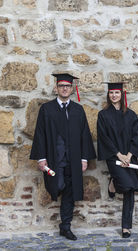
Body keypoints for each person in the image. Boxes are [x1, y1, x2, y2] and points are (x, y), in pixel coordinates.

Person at [30, 73, 96, 241]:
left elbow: (84, 135)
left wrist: (83, 159)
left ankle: (65, 226)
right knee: (57, 184)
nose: (65, 88)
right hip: (54, 159)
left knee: (70, 191)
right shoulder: (47, 109)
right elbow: (40, 134)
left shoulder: (77, 110)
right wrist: (41, 158)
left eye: (67, 86)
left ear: (71, 89)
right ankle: (57, 195)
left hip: (73, 160)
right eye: (61, 86)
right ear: (56, 88)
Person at [97, 82, 138, 238]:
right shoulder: (103, 115)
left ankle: (126, 226)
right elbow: (104, 138)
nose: (114, 96)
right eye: (111, 93)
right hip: (114, 157)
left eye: (117, 93)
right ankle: (114, 183)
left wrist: (129, 155)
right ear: (108, 95)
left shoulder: (130, 115)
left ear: (122, 95)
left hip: (130, 156)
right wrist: (119, 155)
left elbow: (136, 136)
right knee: (126, 184)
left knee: (131, 189)